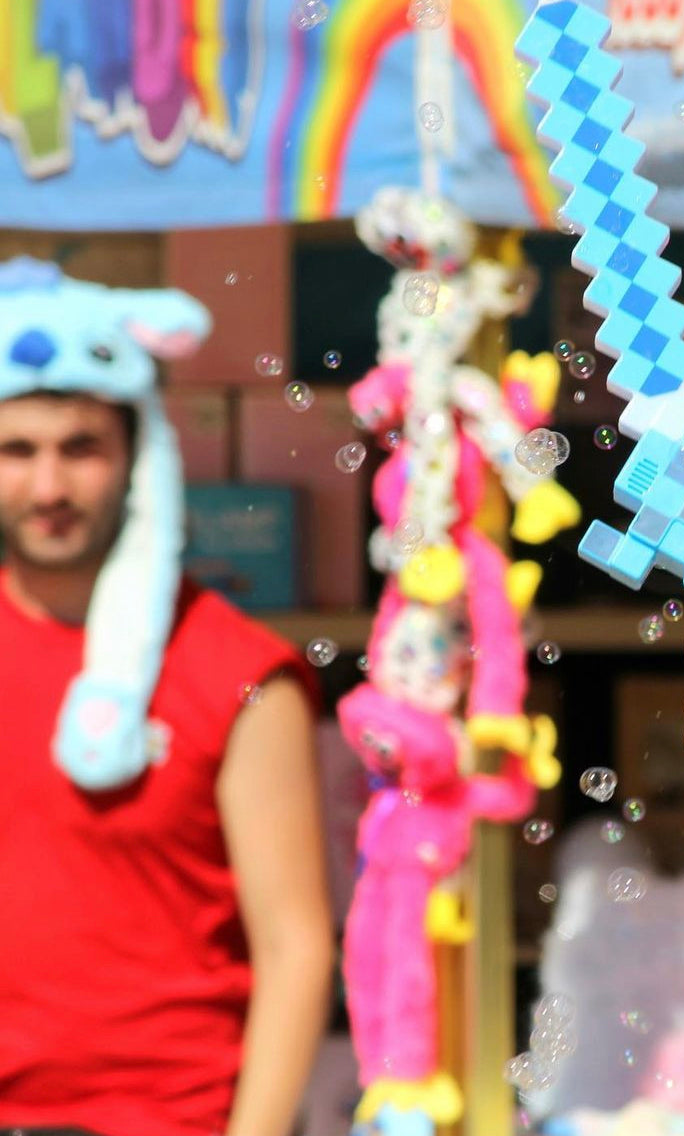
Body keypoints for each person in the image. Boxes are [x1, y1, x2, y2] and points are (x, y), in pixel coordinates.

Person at [0, 259, 334, 1136]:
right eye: (17, 450)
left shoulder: (241, 672)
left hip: (172, 1117)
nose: (48, 488)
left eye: (80, 448)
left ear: (138, 456)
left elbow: (295, 946)